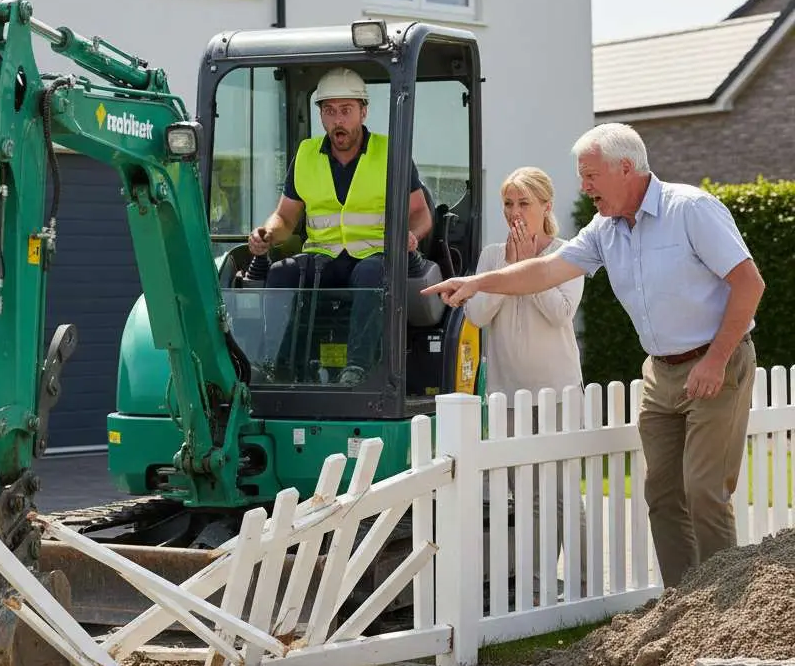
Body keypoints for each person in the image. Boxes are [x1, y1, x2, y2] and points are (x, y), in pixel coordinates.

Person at [424, 123, 765, 588]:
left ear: (625, 168)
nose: (583, 187)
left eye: (589, 176)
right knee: (662, 495)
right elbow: (545, 270)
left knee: (703, 491)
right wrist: (477, 282)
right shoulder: (604, 229)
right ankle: (684, 604)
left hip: (716, 363)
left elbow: (749, 283)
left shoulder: (691, 210)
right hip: (661, 372)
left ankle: (724, 605)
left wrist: (716, 359)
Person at [248, 67, 432, 387]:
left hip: (375, 254)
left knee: (372, 274)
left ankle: (356, 367)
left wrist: (411, 235)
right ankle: (277, 366)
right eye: (329, 111)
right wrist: (267, 233)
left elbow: (420, 212)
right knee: (281, 271)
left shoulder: (391, 153)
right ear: (321, 115)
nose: (338, 121)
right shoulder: (305, 156)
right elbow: (286, 218)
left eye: (346, 111)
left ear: (363, 111)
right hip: (324, 256)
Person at [466, 167, 586, 603]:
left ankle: (584, 584)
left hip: (557, 390)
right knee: (525, 493)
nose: (515, 213)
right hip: (506, 392)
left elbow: (559, 313)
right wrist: (509, 271)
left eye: (524, 204)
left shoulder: (568, 254)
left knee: (562, 492)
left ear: (546, 206)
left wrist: (526, 271)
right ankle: (535, 587)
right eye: (509, 204)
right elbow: (477, 316)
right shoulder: (492, 256)